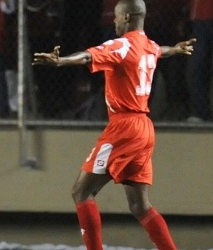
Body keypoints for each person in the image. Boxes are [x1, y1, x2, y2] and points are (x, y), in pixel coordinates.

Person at [33, 0, 196, 249]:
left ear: (128, 18)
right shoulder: (148, 45)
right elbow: (160, 51)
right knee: (140, 206)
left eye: (118, 17)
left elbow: (88, 55)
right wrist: (175, 49)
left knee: (81, 192)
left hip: (124, 127)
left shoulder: (120, 45)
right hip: (144, 127)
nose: (114, 21)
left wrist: (61, 61)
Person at [187, 0, 213, 122]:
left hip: (201, 18)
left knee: (198, 65)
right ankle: (199, 112)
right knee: (197, 66)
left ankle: (199, 112)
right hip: (200, 18)